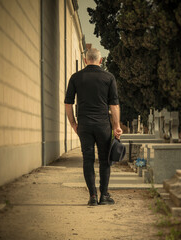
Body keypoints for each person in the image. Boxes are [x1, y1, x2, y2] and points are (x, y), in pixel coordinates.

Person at [64, 48, 122, 206]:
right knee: (105, 160)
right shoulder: (109, 77)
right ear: (101, 61)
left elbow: (68, 103)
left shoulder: (76, 77)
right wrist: (116, 126)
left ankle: (93, 196)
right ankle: (104, 196)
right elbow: (114, 105)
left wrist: (73, 124)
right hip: (103, 125)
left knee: (87, 160)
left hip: (85, 125)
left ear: (85, 60)